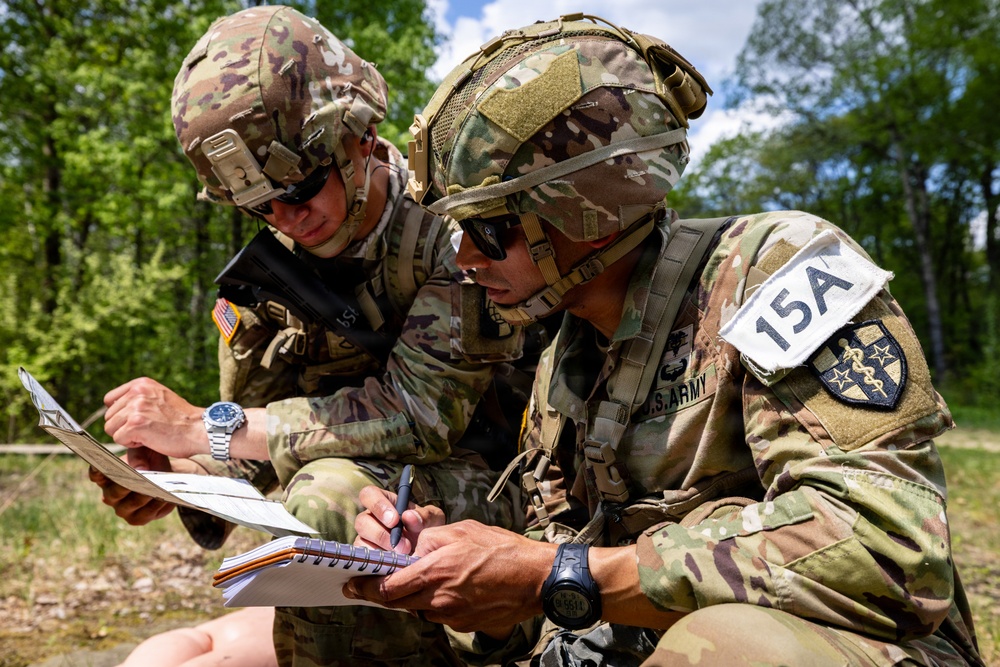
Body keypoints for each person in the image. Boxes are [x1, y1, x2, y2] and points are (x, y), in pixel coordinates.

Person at [343, 14, 985, 667]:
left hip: (855, 649)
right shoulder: (563, 360)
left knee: (724, 646)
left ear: (585, 210)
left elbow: (891, 549)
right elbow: (564, 587)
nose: (465, 260)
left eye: (488, 230)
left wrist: (553, 573)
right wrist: (474, 586)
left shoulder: (772, 272)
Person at [90, 5, 541, 666]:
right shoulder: (265, 281)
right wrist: (176, 474)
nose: (284, 215)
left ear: (359, 133)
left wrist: (205, 428)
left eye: (299, 184)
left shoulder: (456, 230)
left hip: (500, 516)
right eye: (257, 203)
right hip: (361, 527)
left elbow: (418, 418)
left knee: (327, 493)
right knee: (167, 657)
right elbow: (260, 440)